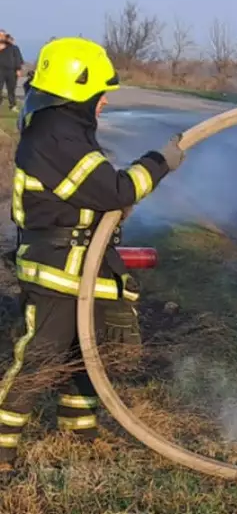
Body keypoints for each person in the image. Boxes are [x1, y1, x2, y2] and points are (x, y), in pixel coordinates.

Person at [0, 37, 186, 471]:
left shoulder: (62, 129)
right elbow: (115, 190)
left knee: (85, 351)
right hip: (57, 265)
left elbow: (96, 194)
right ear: (76, 91)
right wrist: (159, 162)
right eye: (99, 93)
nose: (104, 101)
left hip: (81, 262)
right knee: (42, 355)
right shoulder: (55, 135)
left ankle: (79, 428)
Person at [0, 31, 24, 111]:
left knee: (11, 89)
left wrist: (18, 69)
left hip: (11, 71)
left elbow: (18, 58)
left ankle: (12, 105)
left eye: (2, 35)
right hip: (0, 71)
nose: (1, 37)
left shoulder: (13, 48)